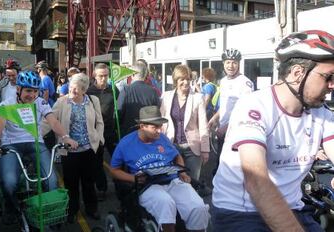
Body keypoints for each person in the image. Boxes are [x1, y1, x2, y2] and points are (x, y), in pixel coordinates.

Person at [211, 30, 334, 231]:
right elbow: (256, 182)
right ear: (297, 73)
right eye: (329, 76)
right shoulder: (254, 106)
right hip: (241, 211)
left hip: (291, 206)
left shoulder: (320, 111)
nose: (332, 86)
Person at [0, 70, 78, 224]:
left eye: (35, 91)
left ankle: (48, 212)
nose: (32, 95)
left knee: (52, 180)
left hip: (35, 142)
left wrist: (66, 137)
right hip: (11, 145)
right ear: (18, 89)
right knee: (9, 182)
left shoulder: (40, 102)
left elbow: (53, 121)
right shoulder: (6, 104)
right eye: (28, 91)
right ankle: (11, 208)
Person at [110, 105, 210, 232]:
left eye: (160, 126)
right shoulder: (126, 143)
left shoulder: (162, 138)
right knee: (166, 203)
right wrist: (132, 178)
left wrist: (182, 171)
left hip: (172, 179)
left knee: (198, 207)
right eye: (154, 127)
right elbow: (114, 170)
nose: (159, 130)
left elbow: (177, 155)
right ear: (142, 126)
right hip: (147, 185)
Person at [41, 73, 104, 223]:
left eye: (75, 89)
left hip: (89, 149)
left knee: (89, 182)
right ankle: (72, 210)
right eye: (70, 88)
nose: (71, 92)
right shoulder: (62, 102)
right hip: (69, 151)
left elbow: (100, 122)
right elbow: (49, 121)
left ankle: (91, 209)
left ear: (84, 90)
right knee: (71, 183)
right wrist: (34, 135)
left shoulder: (93, 101)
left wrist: (99, 138)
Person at [160, 64, 210, 182]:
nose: (186, 82)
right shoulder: (166, 97)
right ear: (176, 81)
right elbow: (162, 123)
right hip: (172, 146)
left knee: (192, 182)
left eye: (188, 79)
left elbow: (203, 125)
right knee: (173, 181)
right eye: (182, 79)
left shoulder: (198, 98)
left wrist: (205, 149)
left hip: (192, 148)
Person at [87, 63, 119, 199]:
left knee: (118, 160)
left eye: (106, 75)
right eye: (101, 76)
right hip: (95, 132)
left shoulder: (114, 90)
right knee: (97, 162)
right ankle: (102, 188)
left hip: (111, 131)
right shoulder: (88, 92)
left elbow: (119, 108)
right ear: (94, 75)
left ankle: (121, 186)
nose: (104, 79)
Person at [118, 62, 160, 137]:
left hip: (128, 133)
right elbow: (157, 112)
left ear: (133, 74)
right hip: (147, 134)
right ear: (145, 75)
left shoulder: (126, 90)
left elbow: (118, 113)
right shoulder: (153, 91)